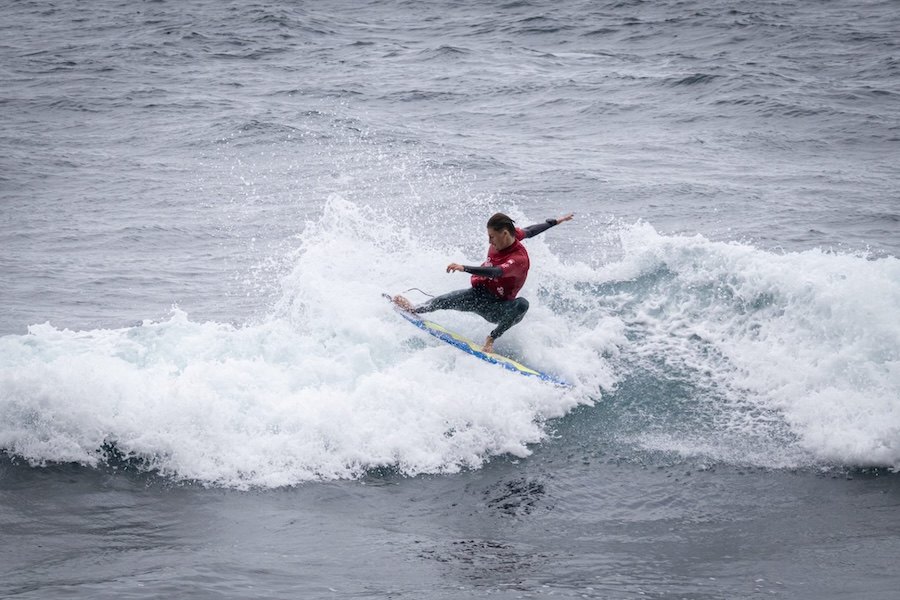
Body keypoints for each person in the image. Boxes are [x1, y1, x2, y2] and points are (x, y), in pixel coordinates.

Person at [393, 212, 574, 353]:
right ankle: (415, 309)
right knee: (443, 301)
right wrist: (555, 222)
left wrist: (465, 267)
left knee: (522, 305)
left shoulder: (518, 258)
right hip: (478, 296)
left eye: (492, 237)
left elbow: (496, 273)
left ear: (504, 234)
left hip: (497, 308)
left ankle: (491, 338)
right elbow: (531, 230)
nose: (489, 241)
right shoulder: (512, 234)